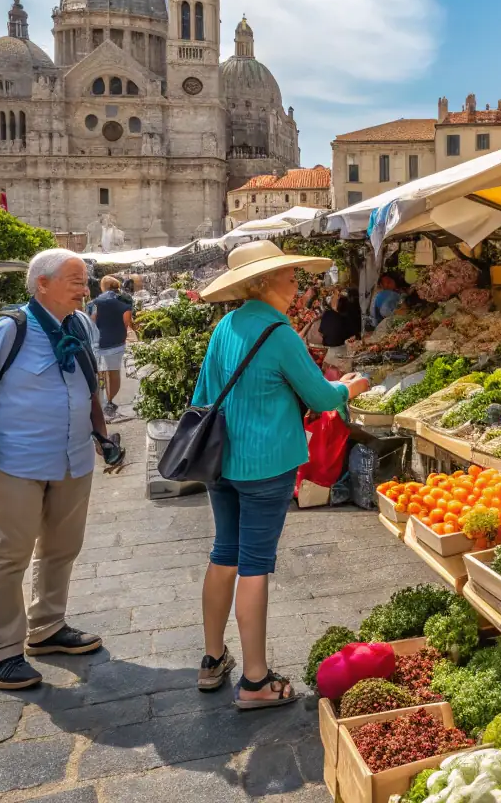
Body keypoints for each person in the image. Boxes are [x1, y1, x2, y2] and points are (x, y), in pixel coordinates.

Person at [193, 241, 370, 708]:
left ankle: (212, 660)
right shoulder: (279, 333)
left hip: (221, 462)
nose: (296, 283)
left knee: (223, 552)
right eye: (289, 276)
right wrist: (350, 386)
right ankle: (255, 680)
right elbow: (319, 396)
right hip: (266, 464)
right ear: (264, 282)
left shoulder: (225, 327)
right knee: (254, 563)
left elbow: (204, 394)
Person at [0, 248, 111, 691]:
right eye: (75, 279)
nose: (84, 286)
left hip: (73, 457)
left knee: (63, 546)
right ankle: (1, 651)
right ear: (43, 284)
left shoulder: (81, 324)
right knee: (10, 553)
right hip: (20, 460)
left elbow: (87, 385)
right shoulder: (9, 329)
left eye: (85, 279)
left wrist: (102, 434)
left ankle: (47, 627)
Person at [86, 275, 135, 419]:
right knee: (114, 373)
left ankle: (100, 402)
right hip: (117, 341)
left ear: (103, 287)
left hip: (98, 341)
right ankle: (110, 401)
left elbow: (91, 322)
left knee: (100, 372)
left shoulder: (94, 302)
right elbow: (127, 321)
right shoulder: (125, 300)